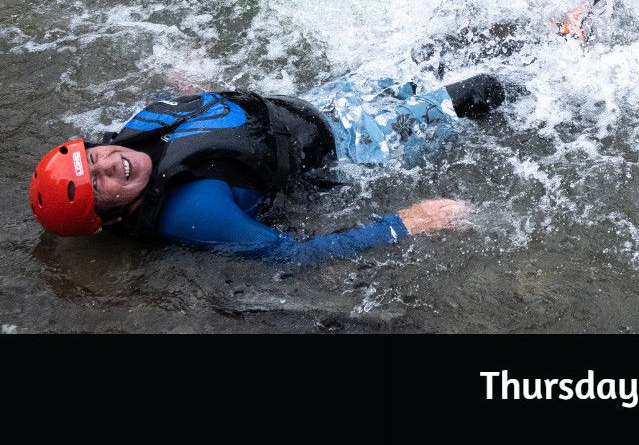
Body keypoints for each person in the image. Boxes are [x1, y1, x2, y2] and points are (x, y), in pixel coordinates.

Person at [28, 73, 506, 265]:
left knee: (433, 55)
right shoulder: (194, 211)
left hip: (322, 102)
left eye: (93, 157)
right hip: (355, 147)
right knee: (482, 91)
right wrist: (406, 224)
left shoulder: (130, 137)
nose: (112, 163)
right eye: (101, 183)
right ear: (111, 219)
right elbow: (291, 258)